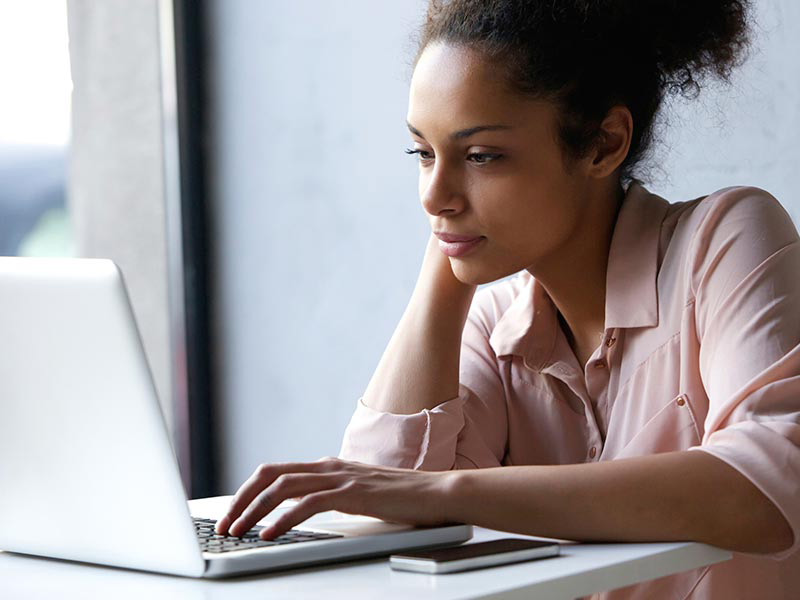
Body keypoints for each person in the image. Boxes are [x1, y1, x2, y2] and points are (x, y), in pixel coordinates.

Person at [215, 1, 799, 597]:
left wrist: (450, 495)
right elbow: (379, 515)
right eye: (422, 153)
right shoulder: (495, 323)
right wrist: (447, 261)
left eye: (481, 156)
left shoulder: (723, 239)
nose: (432, 194)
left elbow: (767, 490)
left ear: (603, 143)